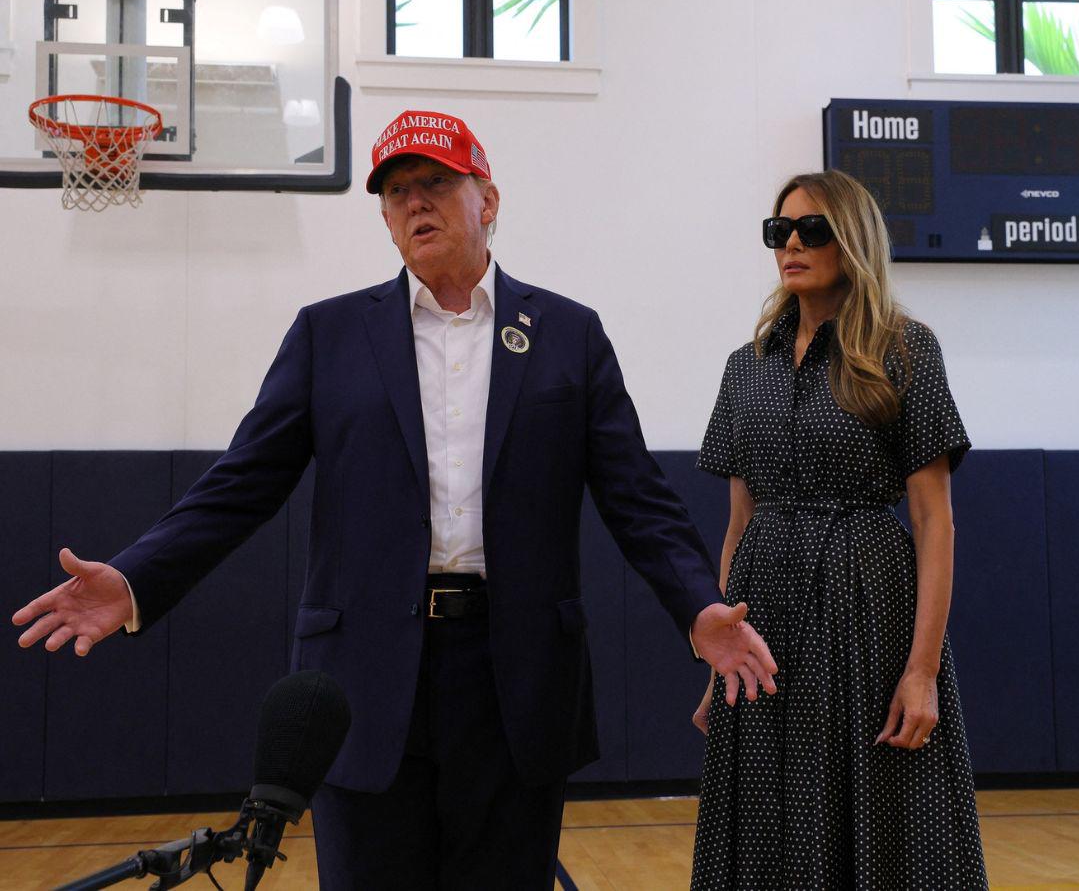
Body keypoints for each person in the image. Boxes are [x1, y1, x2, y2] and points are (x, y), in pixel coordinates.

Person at [11, 109, 779, 890]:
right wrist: (139, 578)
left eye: (437, 184)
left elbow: (638, 499)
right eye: (398, 191)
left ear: (489, 199)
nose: (416, 203)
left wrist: (696, 606)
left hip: (515, 680)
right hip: (364, 681)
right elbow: (240, 484)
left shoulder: (568, 335)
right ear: (383, 216)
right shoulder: (329, 335)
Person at [689, 170, 988, 888]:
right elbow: (739, 523)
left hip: (866, 612)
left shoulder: (905, 349)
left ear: (852, 239)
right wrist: (720, 652)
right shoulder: (745, 367)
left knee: (878, 813)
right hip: (764, 613)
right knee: (764, 812)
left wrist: (921, 672)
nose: (791, 243)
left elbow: (934, 522)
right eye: (778, 231)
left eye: (811, 230)